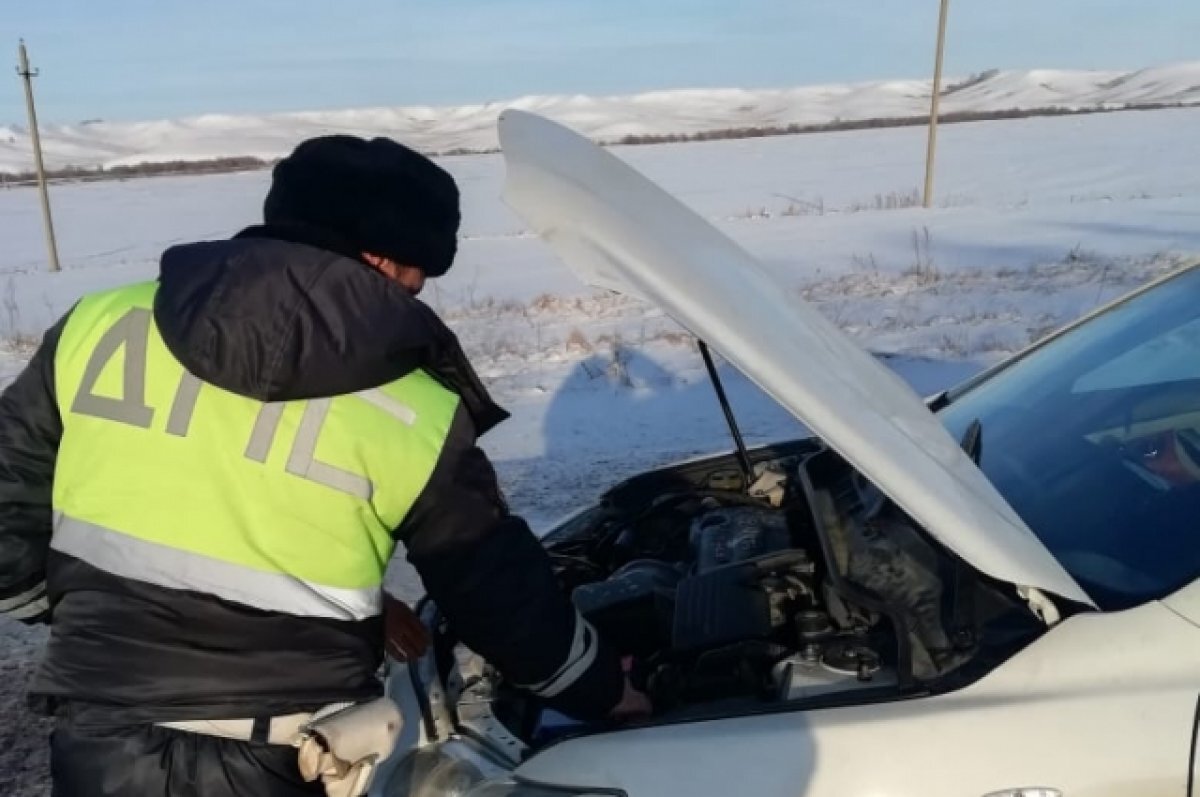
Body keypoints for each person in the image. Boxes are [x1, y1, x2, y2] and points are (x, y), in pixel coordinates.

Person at [0, 135, 650, 797]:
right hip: (283, 757)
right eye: (418, 274)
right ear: (378, 257)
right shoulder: (411, 408)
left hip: (101, 742)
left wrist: (92, 619)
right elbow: (497, 592)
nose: (421, 294)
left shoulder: (102, 325)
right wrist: (603, 688)